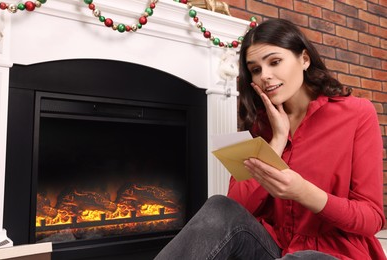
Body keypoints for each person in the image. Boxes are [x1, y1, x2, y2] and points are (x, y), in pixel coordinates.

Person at [154, 18, 386, 260]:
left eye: (275, 62)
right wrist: (277, 141)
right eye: (255, 69)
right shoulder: (260, 124)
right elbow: (234, 209)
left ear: (304, 59)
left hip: (337, 253)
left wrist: (302, 191)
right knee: (218, 206)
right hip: (273, 248)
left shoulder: (357, 113)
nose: (265, 76)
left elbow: (371, 219)